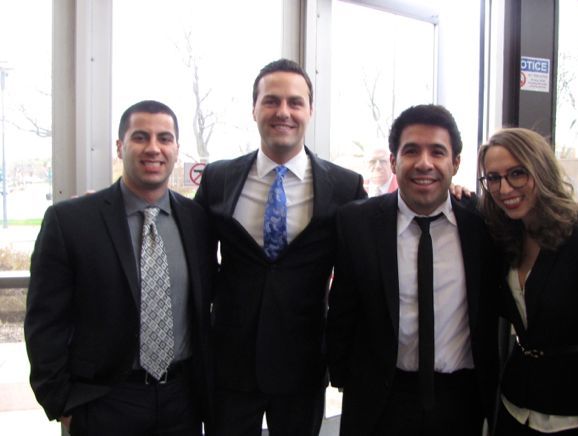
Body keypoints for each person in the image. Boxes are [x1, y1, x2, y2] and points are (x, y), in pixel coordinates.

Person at [194, 58, 366, 436]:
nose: (283, 112)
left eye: (295, 102)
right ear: (254, 109)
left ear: (310, 111)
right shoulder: (218, 178)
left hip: (303, 366)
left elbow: (371, 255)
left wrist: (453, 195)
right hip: (230, 365)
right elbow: (192, 253)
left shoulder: (345, 187)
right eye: (271, 101)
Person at [24, 100, 215, 435]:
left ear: (176, 149)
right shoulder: (71, 221)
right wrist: (61, 402)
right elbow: (45, 322)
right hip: (104, 402)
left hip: (182, 401)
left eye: (164, 138)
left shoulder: (198, 220)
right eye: (140, 137)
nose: (153, 148)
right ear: (120, 146)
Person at [326, 104, 500, 435]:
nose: (424, 163)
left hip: (461, 401)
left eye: (437, 152)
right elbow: (342, 309)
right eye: (411, 151)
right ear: (394, 162)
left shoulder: (484, 226)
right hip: (379, 399)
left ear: (455, 163)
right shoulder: (356, 222)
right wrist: (344, 376)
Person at [477, 127, 578, 435]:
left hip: (571, 416)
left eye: (517, 173)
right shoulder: (507, 236)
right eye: (493, 178)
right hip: (515, 409)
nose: (504, 188)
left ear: (541, 171)